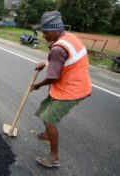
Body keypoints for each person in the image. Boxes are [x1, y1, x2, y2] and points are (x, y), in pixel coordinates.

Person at [30, 11, 92, 168]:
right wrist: (44, 63)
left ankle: (54, 157)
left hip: (72, 90)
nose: (43, 35)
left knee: (50, 120)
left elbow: (53, 78)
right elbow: (57, 58)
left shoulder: (58, 48)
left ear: (55, 30)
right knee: (45, 109)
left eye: (45, 32)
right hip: (68, 84)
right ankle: (46, 136)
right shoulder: (68, 38)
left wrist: (37, 85)